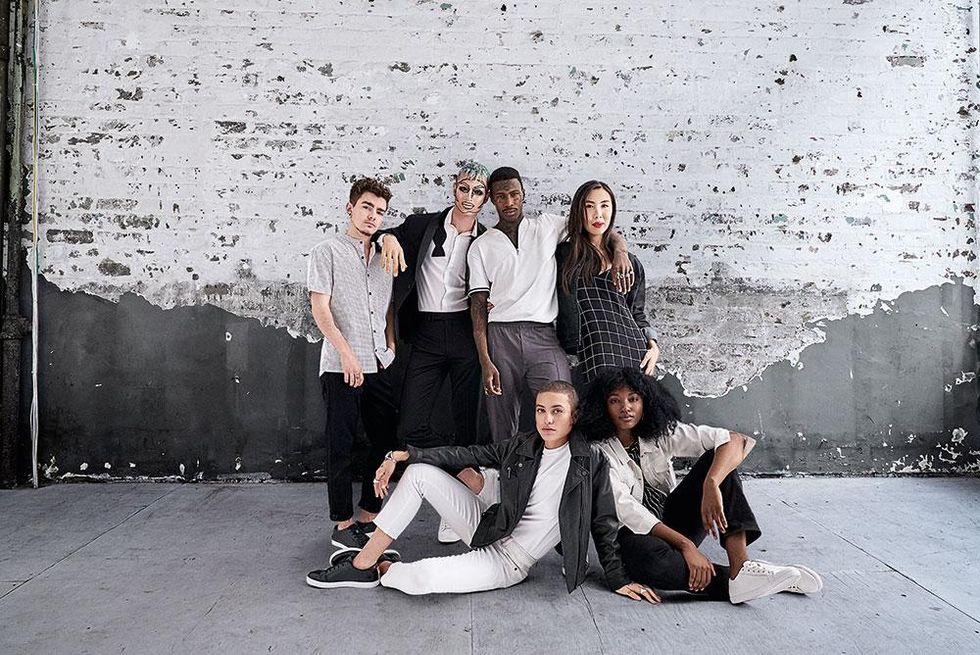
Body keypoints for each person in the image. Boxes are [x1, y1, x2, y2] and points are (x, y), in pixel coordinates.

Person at [305, 381, 659, 604]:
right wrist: (404, 454)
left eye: (557, 411)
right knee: (419, 473)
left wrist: (619, 579)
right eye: (541, 411)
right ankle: (362, 565)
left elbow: (604, 523)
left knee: (420, 580)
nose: (547, 420)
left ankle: (384, 564)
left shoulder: (589, 462)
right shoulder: (524, 445)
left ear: (573, 416)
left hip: (507, 561)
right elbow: (466, 453)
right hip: (488, 527)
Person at [580, 367, 823, 604]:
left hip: (672, 519)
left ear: (645, 402)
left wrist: (711, 483)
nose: (625, 407)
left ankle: (741, 566)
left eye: (633, 399)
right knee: (650, 564)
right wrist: (687, 546)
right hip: (636, 535)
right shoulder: (598, 451)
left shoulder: (659, 433)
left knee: (720, 463)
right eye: (615, 401)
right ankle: (758, 580)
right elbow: (628, 511)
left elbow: (732, 440)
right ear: (603, 407)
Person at [466, 167, 634, 442]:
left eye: (514, 194)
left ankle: (559, 465)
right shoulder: (481, 246)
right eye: (501, 196)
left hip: (543, 334)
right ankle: (506, 468)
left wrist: (621, 252)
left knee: (562, 404)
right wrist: (485, 360)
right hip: (500, 336)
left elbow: (595, 224)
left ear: (523, 194)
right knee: (501, 420)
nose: (509, 202)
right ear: (491, 200)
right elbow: (477, 308)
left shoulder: (546, 226)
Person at [372, 162, 491, 543]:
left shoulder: (488, 240)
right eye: (464, 188)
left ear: (486, 198)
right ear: (454, 188)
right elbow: (385, 234)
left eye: (478, 192)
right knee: (410, 425)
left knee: (467, 426)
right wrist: (387, 239)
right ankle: (462, 476)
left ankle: (456, 510)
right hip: (424, 332)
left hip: (465, 333)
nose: (469, 197)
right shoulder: (422, 226)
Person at [307, 177, 399, 551]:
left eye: (380, 211)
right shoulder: (326, 251)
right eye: (366, 207)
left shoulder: (385, 256)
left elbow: (388, 307)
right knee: (340, 445)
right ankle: (342, 525)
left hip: (379, 362)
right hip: (340, 364)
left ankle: (368, 517)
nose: (373, 216)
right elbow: (320, 308)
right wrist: (346, 353)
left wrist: (390, 343)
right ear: (350, 208)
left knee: (385, 441)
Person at [556, 180, 660, 383]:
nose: (598, 214)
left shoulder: (630, 263)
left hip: (633, 348)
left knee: (634, 401)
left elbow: (637, 312)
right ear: (578, 211)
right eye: (589, 206)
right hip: (593, 350)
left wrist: (653, 344)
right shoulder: (566, 255)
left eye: (604, 205)